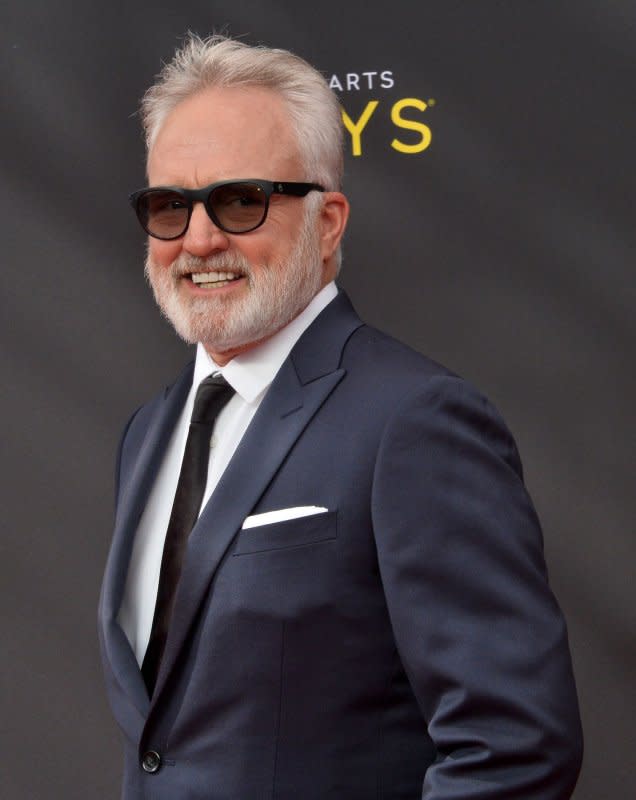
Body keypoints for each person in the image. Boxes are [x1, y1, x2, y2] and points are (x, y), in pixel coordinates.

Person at [99, 34, 583, 800]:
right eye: (170, 205)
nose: (199, 239)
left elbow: (513, 747)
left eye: (239, 199)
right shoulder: (147, 433)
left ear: (328, 222)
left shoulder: (415, 421)